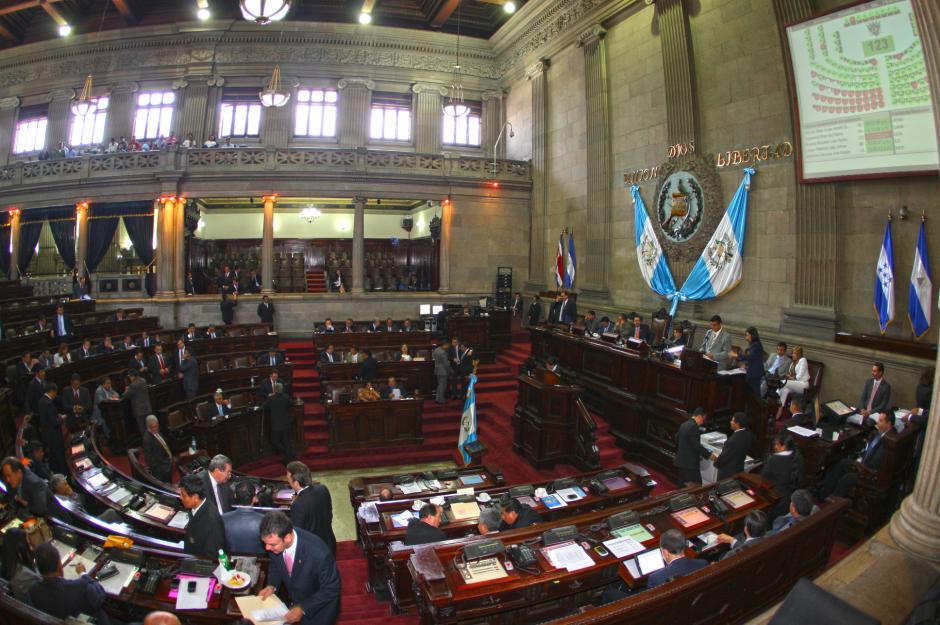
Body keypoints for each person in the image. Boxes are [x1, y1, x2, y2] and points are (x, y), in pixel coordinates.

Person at [258, 510, 341, 625]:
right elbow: (276, 564)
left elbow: (331, 588)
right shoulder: (274, 545)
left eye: (272, 544)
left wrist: (303, 608)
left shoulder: (319, 554)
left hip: (319, 611)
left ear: (288, 538)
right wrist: (272, 585)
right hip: (296, 599)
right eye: (266, 544)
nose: (267, 548)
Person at [29, 542, 110, 624]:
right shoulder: (79, 586)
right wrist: (83, 574)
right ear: (59, 565)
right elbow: (100, 595)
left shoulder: (33, 590)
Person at [820, 411, 894, 499]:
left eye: (881, 421)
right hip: (863, 464)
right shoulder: (883, 432)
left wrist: (859, 464)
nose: (877, 423)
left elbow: (874, 464)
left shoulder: (888, 441)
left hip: (869, 473)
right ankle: (824, 493)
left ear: (888, 424)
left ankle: (834, 500)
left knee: (848, 478)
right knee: (842, 463)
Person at [286, 461, 337, 555]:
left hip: (314, 551)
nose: (288, 481)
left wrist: (295, 502)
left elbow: (297, 534)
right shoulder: (323, 489)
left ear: (296, 483)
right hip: (329, 543)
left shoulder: (297, 505)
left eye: (288, 478)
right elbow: (329, 515)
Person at [1, 457, 67, 520]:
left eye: (9, 475)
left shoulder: (34, 483)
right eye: (5, 476)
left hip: (56, 520)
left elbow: (40, 510)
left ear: (19, 472)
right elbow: (12, 499)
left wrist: (24, 502)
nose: (7, 480)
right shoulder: (12, 483)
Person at [180, 473, 226, 557]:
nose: (181, 498)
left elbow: (210, 556)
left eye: (183, 496)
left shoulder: (210, 522)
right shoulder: (202, 505)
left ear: (195, 497)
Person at [761, 433, 804, 522]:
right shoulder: (798, 458)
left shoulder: (773, 460)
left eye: (776, 444)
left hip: (776, 499)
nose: (774, 447)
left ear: (784, 447)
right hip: (791, 499)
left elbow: (763, 478)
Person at [223, 480, 265, 555]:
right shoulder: (265, 520)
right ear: (254, 498)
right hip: (259, 561)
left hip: (231, 560)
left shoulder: (223, 519)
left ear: (235, 496)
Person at [712, 412, 753, 480]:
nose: (730, 422)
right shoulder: (748, 436)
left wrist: (716, 462)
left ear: (737, 424)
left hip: (727, 475)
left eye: (732, 420)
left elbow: (723, 458)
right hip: (739, 472)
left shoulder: (732, 441)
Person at [675, 407, 710, 486]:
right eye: (703, 419)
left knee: (682, 485)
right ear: (700, 416)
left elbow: (677, 439)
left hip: (681, 462)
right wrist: (709, 455)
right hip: (690, 465)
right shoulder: (694, 427)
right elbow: (697, 446)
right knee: (697, 486)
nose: (703, 422)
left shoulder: (684, 424)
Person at [38, 382, 67, 474]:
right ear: (52, 391)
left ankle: (56, 474)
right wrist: (61, 418)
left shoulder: (41, 400)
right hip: (55, 436)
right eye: (55, 393)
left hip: (47, 436)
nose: (55, 395)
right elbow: (55, 422)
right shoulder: (49, 403)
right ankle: (65, 477)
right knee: (60, 459)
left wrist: (56, 416)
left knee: (53, 459)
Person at [265, 382, 295, 464]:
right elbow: (292, 403)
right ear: (282, 389)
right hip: (286, 424)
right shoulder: (286, 397)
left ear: (275, 390)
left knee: (275, 442)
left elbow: (264, 406)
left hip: (276, 425)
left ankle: (287, 452)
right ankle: (289, 454)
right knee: (287, 442)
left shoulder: (271, 398)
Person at [776, 346, 810, 417]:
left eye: (794, 353)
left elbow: (799, 376)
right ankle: (778, 413)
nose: (792, 355)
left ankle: (775, 395)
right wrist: (790, 376)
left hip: (803, 385)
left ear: (799, 354)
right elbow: (790, 374)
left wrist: (791, 377)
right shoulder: (793, 363)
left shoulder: (803, 360)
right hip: (796, 384)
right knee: (784, 390)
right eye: (792, 353)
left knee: (784, 382)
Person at [142, 415, 173, 483]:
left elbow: (164, 445)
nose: (156, 428)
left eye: (157, 426)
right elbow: (149, 460)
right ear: (148, 426)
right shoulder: (147, 439)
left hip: (166, 464)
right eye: (153, 427)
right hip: (161, 471)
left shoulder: (156, 431)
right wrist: (162, 469)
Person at [122, 369, 152, 436]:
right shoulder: (143, 380)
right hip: (147, 408)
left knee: (143, 430)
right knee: (150, 427)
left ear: (132, 376)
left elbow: (125, 396)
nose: (130, 378)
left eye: (130, 376)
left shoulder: (133, 385)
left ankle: (147, 442)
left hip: (139, 411)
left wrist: (126, 389)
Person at [741, 326, 765, 397]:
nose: (746, 337)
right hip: (753, 372)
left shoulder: (756, 345)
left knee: (755, 395)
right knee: (751, 394)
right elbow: (754, 359)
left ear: (752, 335)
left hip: (755, 373)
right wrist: (746, 365)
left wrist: (737, 355)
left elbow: (750, 357)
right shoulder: (754, 344)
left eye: (747, 335)